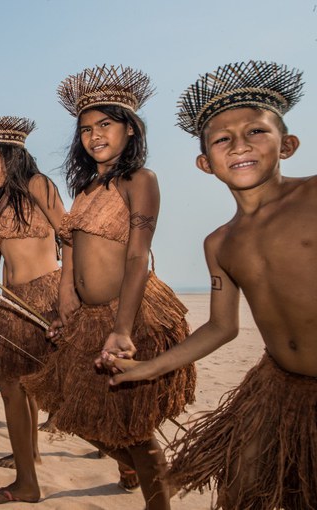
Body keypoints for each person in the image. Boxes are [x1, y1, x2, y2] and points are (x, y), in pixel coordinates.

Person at [107, 60, 315, 510]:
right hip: (279, 385)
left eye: (256, 131)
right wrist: (148, 368)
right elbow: (222, 326)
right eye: (223, 139)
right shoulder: (220, 243)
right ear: (205, 162)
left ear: (289, 143)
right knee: (243, 486)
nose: (240, 145)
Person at [22, 65, 196, 510]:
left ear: (130, 130)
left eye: (105, 125)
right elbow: (71, 259)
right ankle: (155, 476)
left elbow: (138, 255)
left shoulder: (140, 180)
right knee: (74, 415)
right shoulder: (84, 189)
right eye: (85, 129)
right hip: (87, 317)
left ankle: (158, 497)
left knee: (133, 430)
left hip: (129, 314)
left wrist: (122, 329)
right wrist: (65, 309)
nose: (94, 135)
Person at [0, 116, 67, 504]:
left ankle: (125, 459)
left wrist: (66, 301)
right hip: (13, 304)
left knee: (69, 385)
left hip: (47, 296)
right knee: (10, 387)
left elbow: (69, 239)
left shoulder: (39, 185)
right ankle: (27, 477)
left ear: (11, 155)